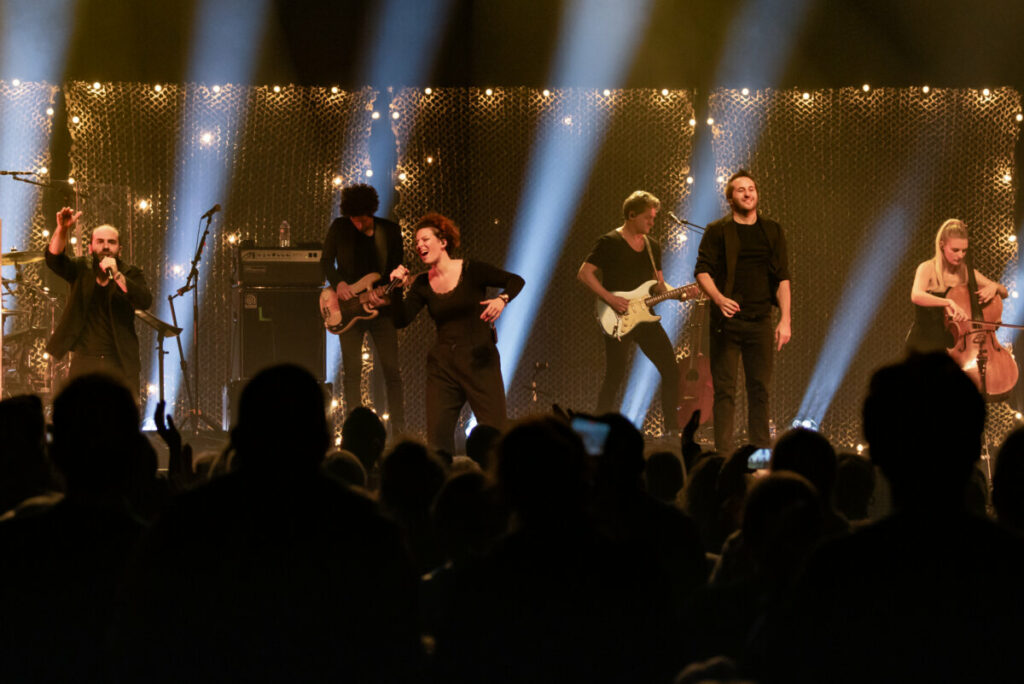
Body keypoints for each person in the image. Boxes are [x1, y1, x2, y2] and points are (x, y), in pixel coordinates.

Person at [389, 213, 524, 455]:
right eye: (417, 242)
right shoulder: (421, 284)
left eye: (425, 239)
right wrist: (396, 290)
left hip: (479, 359)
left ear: (443, 242)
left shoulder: (471, 270)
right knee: (437, 439)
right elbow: (401, 319)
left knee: (496, 433)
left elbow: (515, 280)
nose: (420, 245)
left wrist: (502, 300)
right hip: (443, 366)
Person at [695, 170, 791, 451]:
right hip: (727, 323)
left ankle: (760, 453)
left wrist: (785, 320)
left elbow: (782, 278)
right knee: (724, 391)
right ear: (730, 198)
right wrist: (718, 298)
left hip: (760, 320)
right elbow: (702, 271)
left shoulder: (772, 230)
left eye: (751, 189)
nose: (748, 193)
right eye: (740, 190)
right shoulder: (717, 230)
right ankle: (723, 456)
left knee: (759, 390)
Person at [578, 190, 680, 431]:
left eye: (654, 218)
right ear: (631, 215)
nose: (652, 222)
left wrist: (682, 293)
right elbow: (584, 273)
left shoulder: (652, 246)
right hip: (616, 316)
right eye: (648, 217)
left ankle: (673, 431)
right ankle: (595, 432)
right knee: (615, 375)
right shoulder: (609, 242)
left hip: (645, 319)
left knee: (671, 370)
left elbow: (659, 286)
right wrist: (610, 298)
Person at [320, 183, 406, 432]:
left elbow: (397, 271)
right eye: (353, 220)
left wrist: (388, 295)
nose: (357, 225)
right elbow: (326, 261)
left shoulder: (389, 231)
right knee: (352, 371)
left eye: (361, 220)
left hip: (383, 311)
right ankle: (353, 430)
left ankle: (399, 430)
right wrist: (339, 284)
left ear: (371, 212)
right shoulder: (340, 227)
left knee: (391, 371)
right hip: (348, 309)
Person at [45, 207, 153, 399]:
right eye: (100, 242)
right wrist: (62, 230)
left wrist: (118, 276)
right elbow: (54, 259)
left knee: (120, 421)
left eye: (111, 242)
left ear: (119, 249)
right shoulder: (80, 269)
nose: (105, 246)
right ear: (90, 247)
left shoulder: (130, 273)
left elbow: (144, 300)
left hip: (120, 360)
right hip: (85, 360)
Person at [907, 218, 1007, 353]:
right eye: (955, 250)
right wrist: (948, 302)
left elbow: (1004, 292)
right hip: (924, 344)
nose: (960, 255)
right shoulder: (927, 268)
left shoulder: (966, 272)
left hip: (953, 345)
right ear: (942, 245)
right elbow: (916, 295)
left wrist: (995, 286)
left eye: (964, 251)